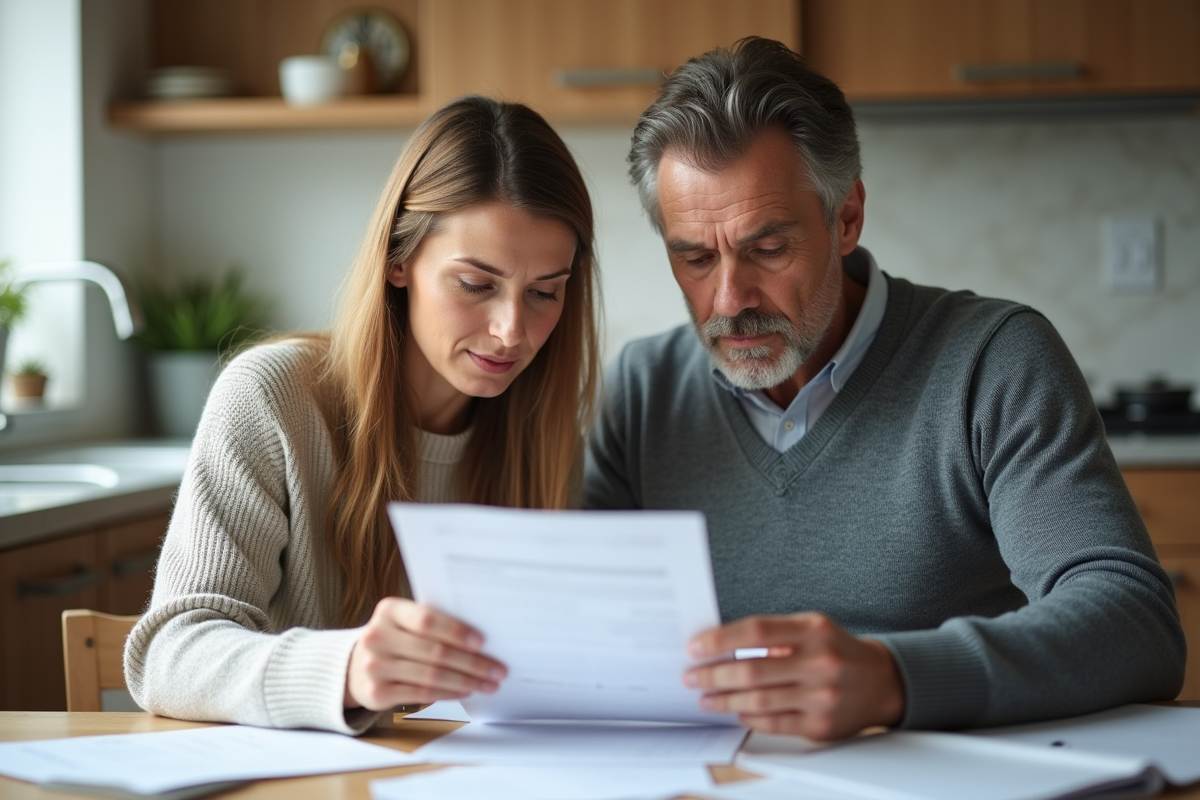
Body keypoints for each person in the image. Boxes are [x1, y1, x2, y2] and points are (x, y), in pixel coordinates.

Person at [585, 37, 1185, 740]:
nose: (727, 299)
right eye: (693, 258)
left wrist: (892, 680)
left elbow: (1134, 621)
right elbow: (584, 625)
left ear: (845, 218)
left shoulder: (992, 361)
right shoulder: (643, 389)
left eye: (768, 249)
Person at [125, 96, 599, 734]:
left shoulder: (545, 435)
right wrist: (346, 669)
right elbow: (170, 653)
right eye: (476, 284)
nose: (512, 330)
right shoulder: (272, 399)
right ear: (399, 260)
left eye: (545, 292)